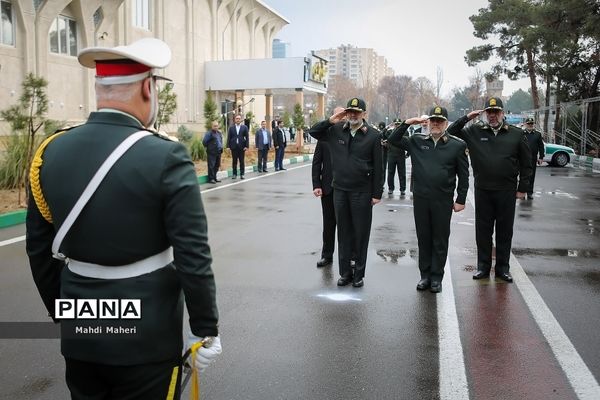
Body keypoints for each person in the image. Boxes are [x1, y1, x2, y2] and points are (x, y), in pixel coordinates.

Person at [26, 38, 220, 399]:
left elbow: (39, 250)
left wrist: (68, 315)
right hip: (147, 337)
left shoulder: (50, 151)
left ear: (99, 90)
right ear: (148, 88)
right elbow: (193, 255)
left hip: (81, 330)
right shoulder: (166, 156)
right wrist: (204, 327)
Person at [447, 97, 532, 283]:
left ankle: (503, 268)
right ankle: (483, 267)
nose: (492, 115)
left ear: (502, 113)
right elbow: (450, 132)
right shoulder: (474, 131)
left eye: (496, 111)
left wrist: (522, 188)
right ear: (484, 114)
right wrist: (466, 118)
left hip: (506, 190)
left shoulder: (516, 134)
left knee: (504, 231)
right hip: (483, 189)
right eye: (489, 112)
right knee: (483, 231)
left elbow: (527, 163)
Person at [387, 106, 469, 293]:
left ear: (446, 123)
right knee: (423, 238)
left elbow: (463, 176)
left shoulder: (457, 145)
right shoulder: (416, 141)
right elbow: (392, 139)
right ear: (428, 122)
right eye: (433, 120)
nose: (436, 124)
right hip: (421, 199)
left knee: (440, 239)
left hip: (443, 199)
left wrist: (461, 199)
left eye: (440, 121)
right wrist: (408, 123)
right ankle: (424, 276)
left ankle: (436, 277)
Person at [309, 98, 384, 287]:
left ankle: (358, 274)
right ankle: (345, 273)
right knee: (343, 233)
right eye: (350, 111)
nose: (352, 115)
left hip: (362, 191)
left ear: (364, 114)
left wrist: (377, 193)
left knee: (360, 233)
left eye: (357, 112)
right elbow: (314, 131)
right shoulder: (335, 131)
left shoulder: (373, 136)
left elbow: (379, 167)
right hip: (340, 190)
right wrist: (332, 119)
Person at [312, 140, 335, 267]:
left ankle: (350, 257)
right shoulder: (324, 138)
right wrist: (316, 185)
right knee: (328, 225)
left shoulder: (350, 134)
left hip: (346, 188)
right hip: (328, 188)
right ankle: (327, 255)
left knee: (347, 226)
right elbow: (317, 162)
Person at [383, 118, 408, 196]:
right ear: (393, 124)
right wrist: (386, 127)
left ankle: (402, 189)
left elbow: (408, 142)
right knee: (390, 173)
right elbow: (381, 134)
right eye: (396, 124)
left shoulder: (405, 132)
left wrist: (408, 154)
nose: (397, 125)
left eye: (399, 124)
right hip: (391, 154)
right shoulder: (389, 132)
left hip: (400, 154)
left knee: (402, 173)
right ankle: (391, 188)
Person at [522, 117, 545, 199]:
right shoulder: (521, 133)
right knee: (523, 176)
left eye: (531, 124)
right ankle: (522, 192)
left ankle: (529, 192)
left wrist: (541, 157)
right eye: (528, 123)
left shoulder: (537, 134)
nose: (530, 125)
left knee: (531, 176)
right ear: (525, 124)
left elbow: (541, 146)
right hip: (522, 158)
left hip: (533, 158)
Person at [227, 114, 249, 179]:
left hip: (242, 147)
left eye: (239, 118)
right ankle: (234, 174)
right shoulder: (231, 128)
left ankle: (242, 174)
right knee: (234, 161)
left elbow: (247, 137)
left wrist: (246, 146)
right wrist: (228, 146)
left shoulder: (244, 127)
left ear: (241, 120)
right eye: (237, 118)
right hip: (234, 147)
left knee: (242, 161)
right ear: (235, 120)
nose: (238, 120)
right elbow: (229, 137)